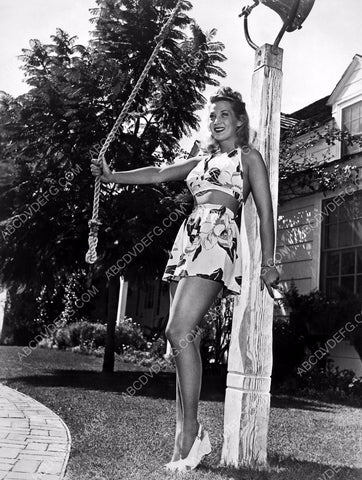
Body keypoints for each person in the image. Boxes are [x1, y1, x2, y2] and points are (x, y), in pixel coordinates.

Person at [91, 86, 280, 472]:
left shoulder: (248, 157)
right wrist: (113, 177)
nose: (216, 120)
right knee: (183, 340)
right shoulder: (202, 158)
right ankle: (186, 436)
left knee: (177, 332)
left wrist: (270, 261)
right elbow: (159, 173)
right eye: (212, 115)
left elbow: (264, 211)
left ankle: (191, 432)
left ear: (240, 120)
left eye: (224, 114)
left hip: (218, 238)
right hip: (188, 240)